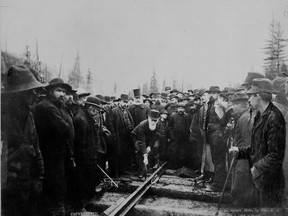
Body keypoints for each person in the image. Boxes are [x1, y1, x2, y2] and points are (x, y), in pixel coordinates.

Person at [229, 78, 286, 207]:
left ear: (259, 96)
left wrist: (257, 168)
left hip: (271, 181)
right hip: (262, 178)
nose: (248, 100)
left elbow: (275, 155)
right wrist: (240, 151)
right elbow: (257, 147)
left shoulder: (274, 118)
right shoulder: (261, 116)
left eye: (251, 96)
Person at [2, 65, 45, 216]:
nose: (34, 93)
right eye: (29, 90)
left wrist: (40, 176)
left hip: (28, 185)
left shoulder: (29, 115)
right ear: (17, 93)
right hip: (8, 189)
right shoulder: (3, 116)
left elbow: (36, 147)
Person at [34, 78, 74, 216]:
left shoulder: (55, 107)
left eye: (64, 91)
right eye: (58, 90)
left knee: (55, 196)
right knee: (53, 198)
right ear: (50, 91)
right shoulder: (48, 107)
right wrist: (67, 125)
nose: (62, 94)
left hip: (54, 158)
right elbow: (66, 130)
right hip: (49, 159)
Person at [73, 96, 103, 206]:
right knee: (82, 180)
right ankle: (80, 204)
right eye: (96, 109)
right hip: (84, 158)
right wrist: (86, 160)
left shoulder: (86, 117)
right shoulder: (81, 119)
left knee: (87, 180)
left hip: (89, 156)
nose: (97, 112)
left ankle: (86, 200)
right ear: (91, 108)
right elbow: (80, 144)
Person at [107, 94, 134, 177]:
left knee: (124, 154)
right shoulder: (114, 111)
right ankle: (114, 172)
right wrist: (114, 136)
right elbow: (110, 124)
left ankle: (123, 170)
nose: (125, 104)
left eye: (126, 102)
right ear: (119, 102)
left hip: (125, 137)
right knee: (116, 154)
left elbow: (130, 122)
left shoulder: (126, 111)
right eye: (124, 102)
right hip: (118, 136)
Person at [132, 110, 161, 177]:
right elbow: (142, 141)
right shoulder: (142, 125)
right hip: (137, 137)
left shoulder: (158, 125)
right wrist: (145, 155)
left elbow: (153, 136)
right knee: (140, 151)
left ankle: (147, 167)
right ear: (148, 118)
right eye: (152, 120)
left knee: (149, 150)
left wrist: (149, 146)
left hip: (148, 137)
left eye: (155, 120)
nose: (153, 122)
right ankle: (141, 171)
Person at [168, 102, 191, 169]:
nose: (180, 110)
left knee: (183, 152)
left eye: (182, 108)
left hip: (184, 138)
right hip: (175, 138)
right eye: (179, 108)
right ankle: (174, 167)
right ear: (177, 109)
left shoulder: (187, 116)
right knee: (174, 152)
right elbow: (169, 127)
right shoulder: (173, 116)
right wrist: (172, 136)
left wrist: (187, 136)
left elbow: (189, 127)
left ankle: (182, 166)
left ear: (184, 109)